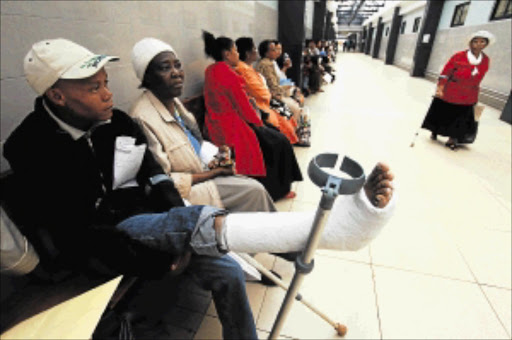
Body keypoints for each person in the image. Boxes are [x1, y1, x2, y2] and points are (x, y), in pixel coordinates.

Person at [4, 38, 257, 339]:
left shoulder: (119, 123)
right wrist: (164, 256)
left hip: (151, 222)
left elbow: (155, 174)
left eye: (106, 82)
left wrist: (175, 221)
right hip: (99, 246)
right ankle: (208, 229)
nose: (109, 94)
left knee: (228, 272)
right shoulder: (29, 148)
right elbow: (73, 233)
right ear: (58, 96)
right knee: (152, 306)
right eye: (94, 88)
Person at [129, 37, 276, 213]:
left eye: (178, 65)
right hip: (183, 192)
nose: (176, 73)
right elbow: (164, 182)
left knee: (251, 182)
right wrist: (214, 173)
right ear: (147, 77)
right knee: (254, 192)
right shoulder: (142, 118)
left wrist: (216, 161)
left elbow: (193, 147)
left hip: (201, 170)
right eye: (165, 68)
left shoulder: (174, 103)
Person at [202, 31, 303, 200]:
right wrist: (259, 122)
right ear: (227, 54)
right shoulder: (228, 73)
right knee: (278, 142)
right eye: (235, 50)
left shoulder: (211, 69)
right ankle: (277, 191)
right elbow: (244, 106)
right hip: (232, 126)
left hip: (216, 122)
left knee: (275, 136)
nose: (237, 54)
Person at [421, 30, 495, 150]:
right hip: (451, 91)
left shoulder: (485, 60)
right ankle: (435, 131)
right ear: (470, 43)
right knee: (444, 113)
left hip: (469, 94)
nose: (479, 44)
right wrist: (440, 88)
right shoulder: (459, 56)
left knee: (462, 117)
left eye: (482, 42)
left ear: (486, 44)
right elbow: (445, 73)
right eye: (475, 41)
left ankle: (453, 138)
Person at [234, 37, 299, 145]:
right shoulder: (262, 65)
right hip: (264, 102)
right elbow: (266, 90)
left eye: (279, 49)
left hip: (269, 98)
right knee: (292, 109)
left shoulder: (268, 63)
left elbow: (277, 81)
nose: (278, 52)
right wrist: (283, 89)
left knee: (290, 109)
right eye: (274, 50)